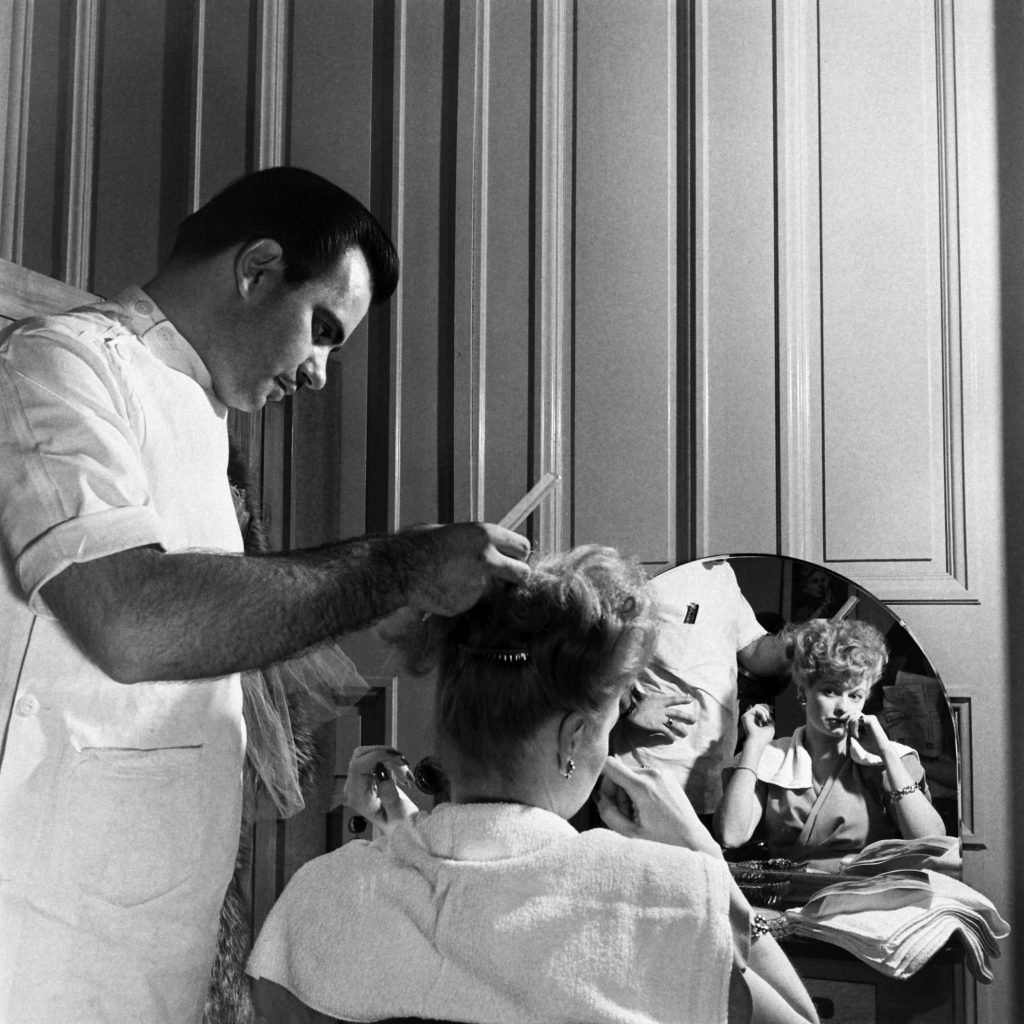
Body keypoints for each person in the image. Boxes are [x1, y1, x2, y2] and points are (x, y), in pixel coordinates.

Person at [0, 166, 530, 1024]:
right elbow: (131, 621)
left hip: (148, 945)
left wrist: (390, 628)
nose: (320, 372)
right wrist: (400, 565)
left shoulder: (205, 441)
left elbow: (224, 690)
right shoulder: (62, 368)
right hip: (38, 947)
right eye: (322, 328)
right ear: (256, 270)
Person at [246, 546, 820, 1024]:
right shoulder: (669, 897)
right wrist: (703, 857)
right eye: (610, 719)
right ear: (574, 738)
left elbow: (441, 945)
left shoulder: (318, 896)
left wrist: (401, 846)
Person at [714, 618, 946, 869]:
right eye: (830, 691)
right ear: (804, 692)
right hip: (790, 897)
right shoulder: (771, 758)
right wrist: (754, 746)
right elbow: (732, 835)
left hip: (869, 894)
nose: (842, 707)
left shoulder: (889, 760)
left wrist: (886, 753)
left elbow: (930, 841)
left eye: (854, 695)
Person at [612, 558, 792, 818]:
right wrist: (630, 706)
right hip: (652, 773)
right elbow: (593, 647)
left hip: (713, 779)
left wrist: (798, 642)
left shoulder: (722, 572)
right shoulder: (653, 573)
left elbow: (754, 650)